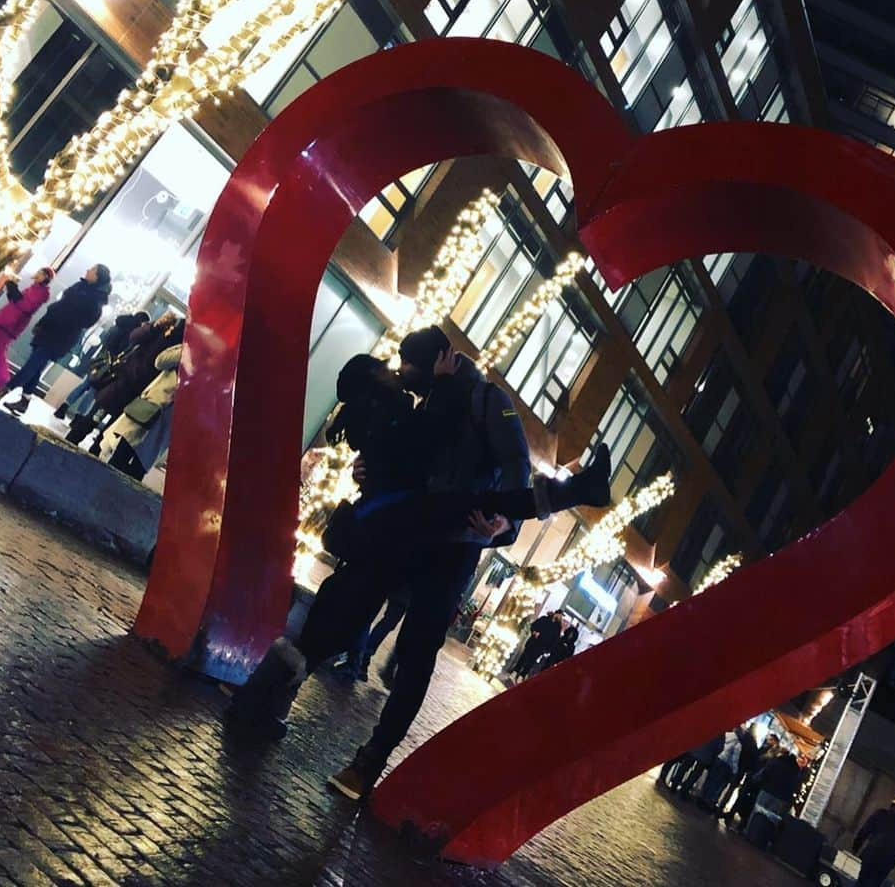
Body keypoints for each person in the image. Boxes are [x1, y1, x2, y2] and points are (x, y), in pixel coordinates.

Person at [229, 327, 611, 800]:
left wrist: (500, 529)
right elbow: (407, 451)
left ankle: (370, 760)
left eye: (409, 364)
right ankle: (272, 693)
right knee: (347, 604)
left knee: (416, 653)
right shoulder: (431, 398)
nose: (402, 374)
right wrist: (366, 468)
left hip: (453, 545)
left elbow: (514, 471)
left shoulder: (487, 401)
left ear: (435, 361)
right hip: (408, 530)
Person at [0, 265, 111, 415]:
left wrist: (66, 320)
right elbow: (60, 306)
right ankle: (24, 401)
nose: (87, 270)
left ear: (97, 277)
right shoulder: (80, 287)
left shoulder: (95, 300)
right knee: (36, 367)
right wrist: (44, 322)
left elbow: (86, 320)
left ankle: (4, 389)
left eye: (92, 270)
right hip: (49, 329)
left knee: (33, 363)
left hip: (61, 337)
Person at [65, 311, 180, 451]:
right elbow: (135, 337)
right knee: (94, 417)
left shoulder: (176, 346)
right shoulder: (156, 331)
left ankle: (94, 451)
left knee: (112, 428)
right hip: (122, 382)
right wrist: (155, 326)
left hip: (139, 392)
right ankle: (72, 440)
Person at [99, 333, 184, 481]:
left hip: (169, 419)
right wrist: (187, 351)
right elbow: (160, 361)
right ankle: (103, 484)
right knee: (123, 450)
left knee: (140, 465)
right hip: (151, 405)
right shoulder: (187, 348)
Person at [0, 268, 54, 392]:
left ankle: (0, 382)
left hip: (7, 323)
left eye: (41, 273)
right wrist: (12, 290)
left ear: (45, 278)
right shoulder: (35, 290)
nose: (37, 273)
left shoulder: (39, 292)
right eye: (39, 271)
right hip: (8, 324)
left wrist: (13, 289)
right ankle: (0, 383)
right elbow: (18, 302)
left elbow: (24, 305)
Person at [53, 310, 150, 420]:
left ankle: (64, 406)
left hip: (100, 359)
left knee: (85, 385)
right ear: (141, 321)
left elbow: (106, 340)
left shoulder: (119, 323)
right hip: (109, 364)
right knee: (94, 391)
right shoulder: (131, 332)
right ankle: (78, 417)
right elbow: (122, 349)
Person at [331, 588, 410, 683]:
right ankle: (362, 657)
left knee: (386, 620)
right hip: (408, 590)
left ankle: (360, 657)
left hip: (403, 588)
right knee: (388, 622)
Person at [853, 793, 895, 887]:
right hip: (885, 864)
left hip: (870, 855)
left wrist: (855, 848)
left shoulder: (880, 814)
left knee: (860, 882)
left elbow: (864, 831)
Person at [510, 609, 564, 680]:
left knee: (531, 662)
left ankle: (522, 675)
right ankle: (515, 672)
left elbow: (555, 640)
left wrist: (547, 650)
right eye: (560, 615)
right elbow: (534, 625)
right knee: (524, 657)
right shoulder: (544, 619)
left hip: (541, 647)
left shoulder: (557, 628)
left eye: (561, 616)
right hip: (533, 642)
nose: (560, 617)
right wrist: (535, 632)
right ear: (556, 613)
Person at [698, 729, 742, 812]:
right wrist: (735, 770)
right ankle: (706, 803)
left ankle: (701, 797)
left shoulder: (727, 735)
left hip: (718, 759)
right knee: (716, 784)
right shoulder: (738, 744)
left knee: (710, 779)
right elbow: (735, 759)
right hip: (725, 764)